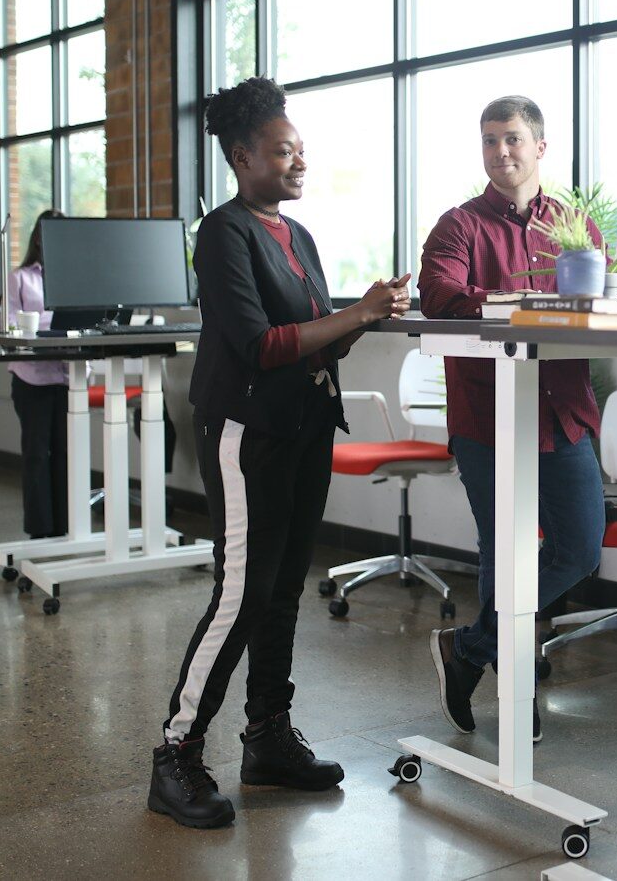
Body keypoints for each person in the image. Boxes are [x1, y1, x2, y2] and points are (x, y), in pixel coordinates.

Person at [150, 76, 411, 829]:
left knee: (285, 589)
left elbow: (316, 330)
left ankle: (266, 736)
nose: (299, 162)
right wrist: (352, 313)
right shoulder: (223, 233)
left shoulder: (297, 236)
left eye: (300, 150)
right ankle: (175, 753)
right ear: (241, 156)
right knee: (242, 592)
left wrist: (365, 313)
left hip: (304, 426)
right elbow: (263, 346)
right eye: (282, 150)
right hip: (247, 432)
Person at [418, 95, 606, 744]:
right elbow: (442, 294)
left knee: (580, 548)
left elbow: (594, 298)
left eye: (514, 138)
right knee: (505, 556)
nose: (502, 150)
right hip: (491, 418)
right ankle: (515, 685)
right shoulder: (458, 226)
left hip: (564, 414)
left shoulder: (576, 227)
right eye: (491, 140)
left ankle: (470, 649)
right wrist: (529, 303)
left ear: (540, 148)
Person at [6, 209, 69, 539]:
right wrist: (51, 325)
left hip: (67, 377)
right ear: (39, 238)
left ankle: (64, 530)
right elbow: (14, 324)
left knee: (65, 454)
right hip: (32, 377)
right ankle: (39, 532)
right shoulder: (21, 277)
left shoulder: (77, 276)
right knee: (36, 454)